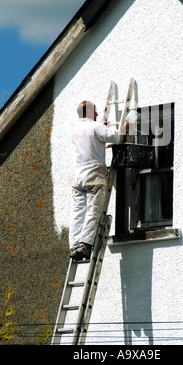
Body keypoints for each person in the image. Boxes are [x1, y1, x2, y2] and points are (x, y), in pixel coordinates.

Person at [70, 100, 128, 260]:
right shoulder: (96, 127)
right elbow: (116, 137)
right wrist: (124, 127)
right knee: (93, 209)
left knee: (78, 211)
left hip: (78, 176)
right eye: (94, 111)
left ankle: (74, 245)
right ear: (89, 112)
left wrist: (100, 125)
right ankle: (85, 244)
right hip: (93, 174)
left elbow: (91, 133)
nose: (96, 114)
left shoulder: (75, 130)